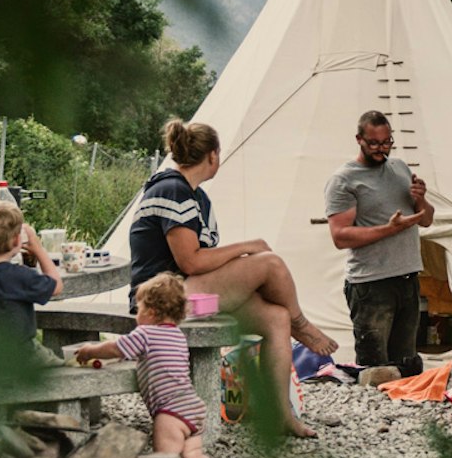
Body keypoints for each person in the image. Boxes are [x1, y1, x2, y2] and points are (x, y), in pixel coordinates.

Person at [128, 117, 331, 439]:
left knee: (275, 317)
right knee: (270, 264)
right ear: (213, 155)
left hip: (192, 289)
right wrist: (247, 248)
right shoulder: (172, 190)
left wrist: (238, 260)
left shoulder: (196, 196)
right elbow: (190, 261)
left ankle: (280, 414)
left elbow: (203, 261)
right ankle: (301, 323)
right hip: (161, 295)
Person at [325, 109, 434, 377]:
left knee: (406, 365)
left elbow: (427, 220)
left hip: (407, 279)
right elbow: (340, 237)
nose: (381, 149)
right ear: (359, 139)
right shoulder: (344, 180)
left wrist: (421, 199)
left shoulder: (400, 168)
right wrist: (389, 229)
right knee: (375, 370)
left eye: (387, 142)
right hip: (371, 285)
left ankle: (406, 417)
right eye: (374, 143)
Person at [71, 274, 210, 458]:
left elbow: (115, 348)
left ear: (151, 312)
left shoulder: (145, 333)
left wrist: (90, 351)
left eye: (139, 308)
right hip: (194, 407)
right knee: (193, 455)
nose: (136, 314)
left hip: (171, 412)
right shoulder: (178, 335)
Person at [0, 194, 62, 351]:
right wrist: (38, 249)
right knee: (67, 365)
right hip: (20, 356)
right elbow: (56, 286)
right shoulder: (19, 276)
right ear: (17, 240)